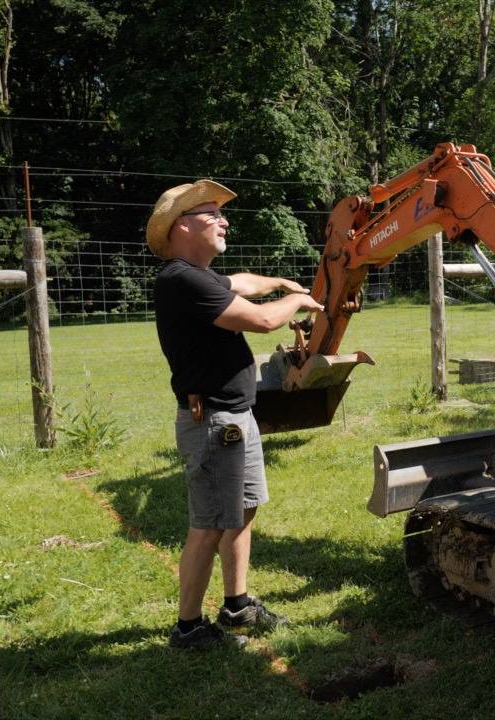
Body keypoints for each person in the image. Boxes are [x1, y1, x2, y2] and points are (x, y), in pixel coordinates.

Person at [146, 179, 323, 650]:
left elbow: (242, 282)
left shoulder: (198, 276)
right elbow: (265, 321)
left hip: (235, 416)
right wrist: (298, 301)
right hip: (213, 423)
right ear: (182, 225)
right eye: (211, 215)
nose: (224, 221)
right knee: (209, 525)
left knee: (241, 512)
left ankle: (237, 603)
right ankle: (188, 629)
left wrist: (280, 282)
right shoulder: (180, 279)